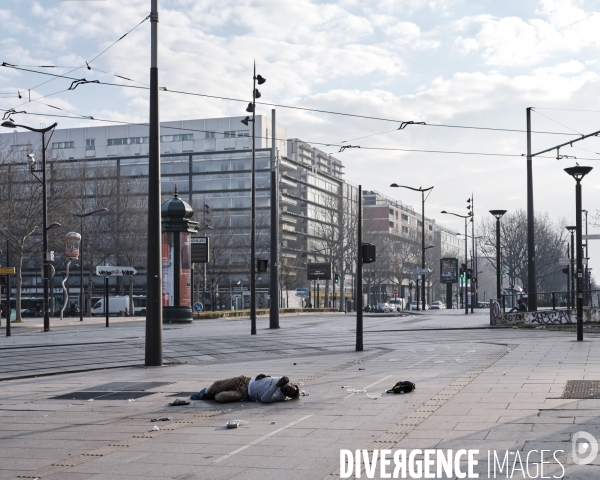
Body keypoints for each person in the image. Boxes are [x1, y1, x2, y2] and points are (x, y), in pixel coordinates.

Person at [192, 374, 300, 403]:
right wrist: (265, 375)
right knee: (217, 385)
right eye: (291, 388)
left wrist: (276, 385)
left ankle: (210, 395)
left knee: (220, 397)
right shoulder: (282, 379)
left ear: (287, 396)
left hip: (244, 392)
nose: (288, 390)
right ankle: (208, 392)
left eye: (289, 393)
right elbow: (268, 378)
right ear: (291, 384)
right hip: (245, 380)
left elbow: (264, 399)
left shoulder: (278, 396)